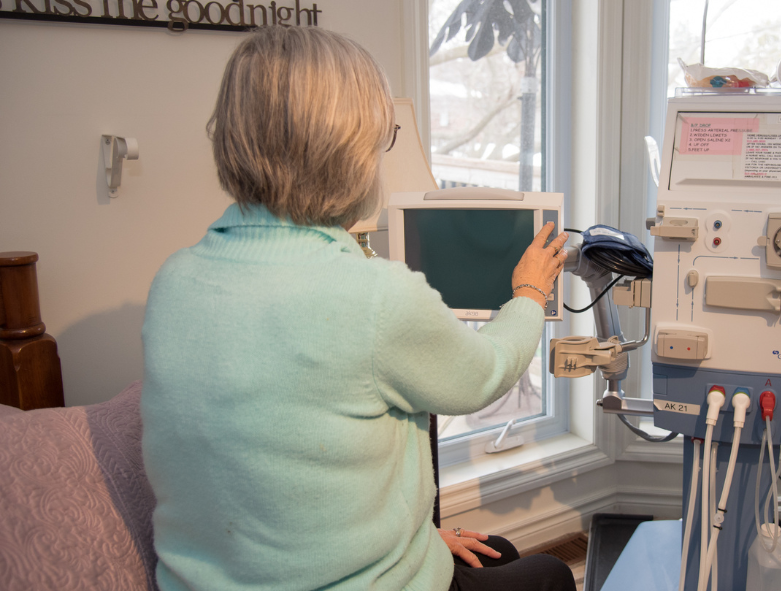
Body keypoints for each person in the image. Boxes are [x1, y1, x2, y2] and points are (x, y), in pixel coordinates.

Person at [140, 26, 574, 591]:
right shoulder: (374, 295)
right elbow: (485, 373)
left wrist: (415, 540)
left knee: (496, 550)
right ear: (350, 150)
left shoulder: (173, 281)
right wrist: (530, 294)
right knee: (550, 574)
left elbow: (277, 468)